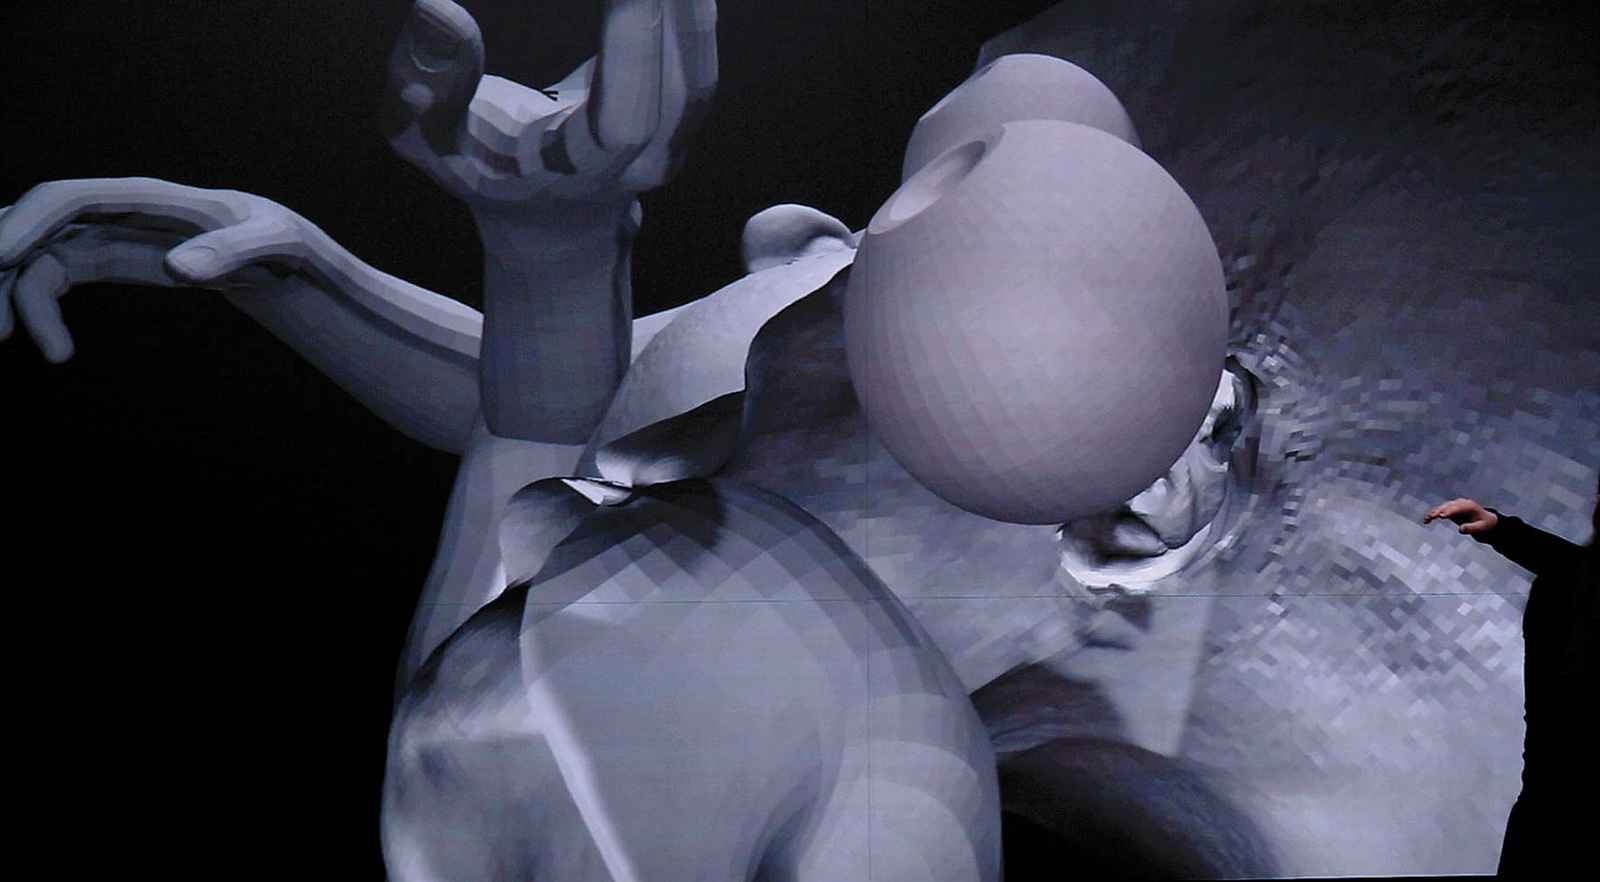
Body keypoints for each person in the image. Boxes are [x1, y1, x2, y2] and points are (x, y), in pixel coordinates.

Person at [1424, 485, 1598, 875]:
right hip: (1552, 812)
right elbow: (1577, 570)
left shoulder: (1563, 585)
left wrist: (1502, 530)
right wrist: (1501, 529)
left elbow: (1575, 569)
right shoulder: (1565, 588)